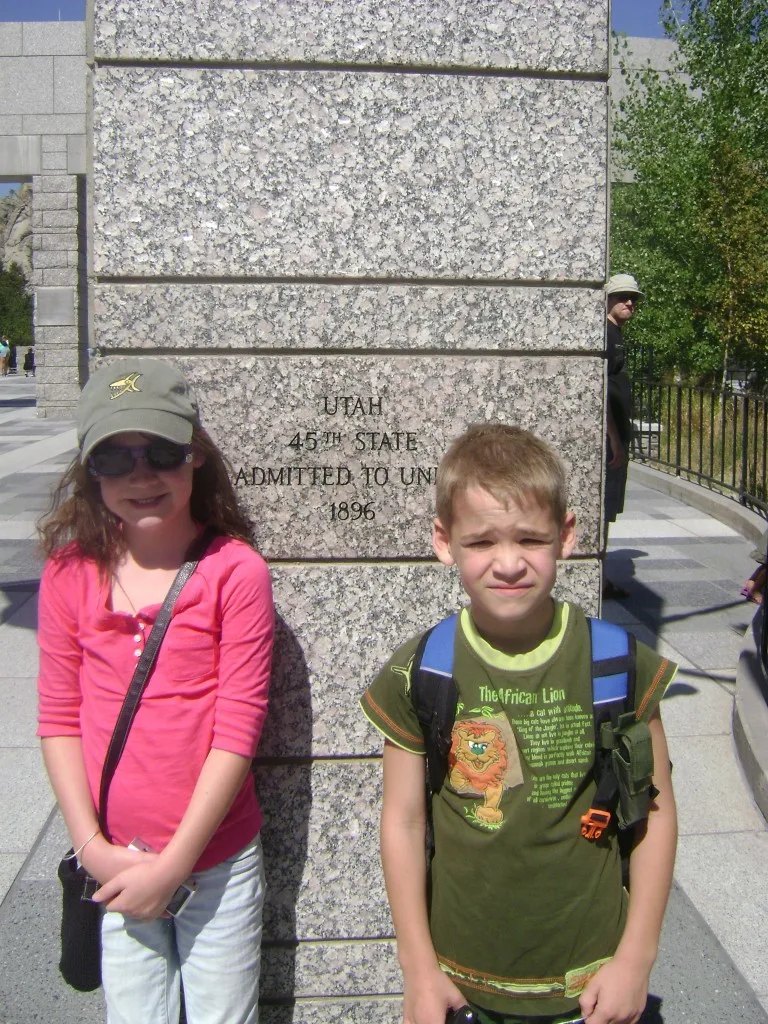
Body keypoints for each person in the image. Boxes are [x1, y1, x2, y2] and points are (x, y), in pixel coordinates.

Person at [361, 423, 677, 1024]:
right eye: (481, 542)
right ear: (444, 542)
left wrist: (636, 959)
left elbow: (654, 814)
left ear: (567, 536)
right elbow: (402, 821)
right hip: (463, 982)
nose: (508, 564)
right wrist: (419, 971)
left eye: (530, 539)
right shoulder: (419, 672)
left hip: (590, 982)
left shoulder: (618, 664)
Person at [37, 358, 274, 1024]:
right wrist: (91, 847)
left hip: (216, 859)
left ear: (195, 456)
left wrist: (175, 866)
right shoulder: (70, 573)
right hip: (113, 854)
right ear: (92, 473)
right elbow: (58, 718)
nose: (141, 474)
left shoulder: (235, 572)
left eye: (162, 453)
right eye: (115, 459)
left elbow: (238, 727)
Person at [603, 274, 643, 601]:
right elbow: (599, 391)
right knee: (603, 508)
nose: (629, 302)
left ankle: (599, 574)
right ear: (607, 299)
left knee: (608, 509)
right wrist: (614, 439)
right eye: (622, 296)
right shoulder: (605, 334)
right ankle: (597, 578)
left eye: (633, 298)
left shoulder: (616, 333)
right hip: (608, 441)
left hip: (616, 437)